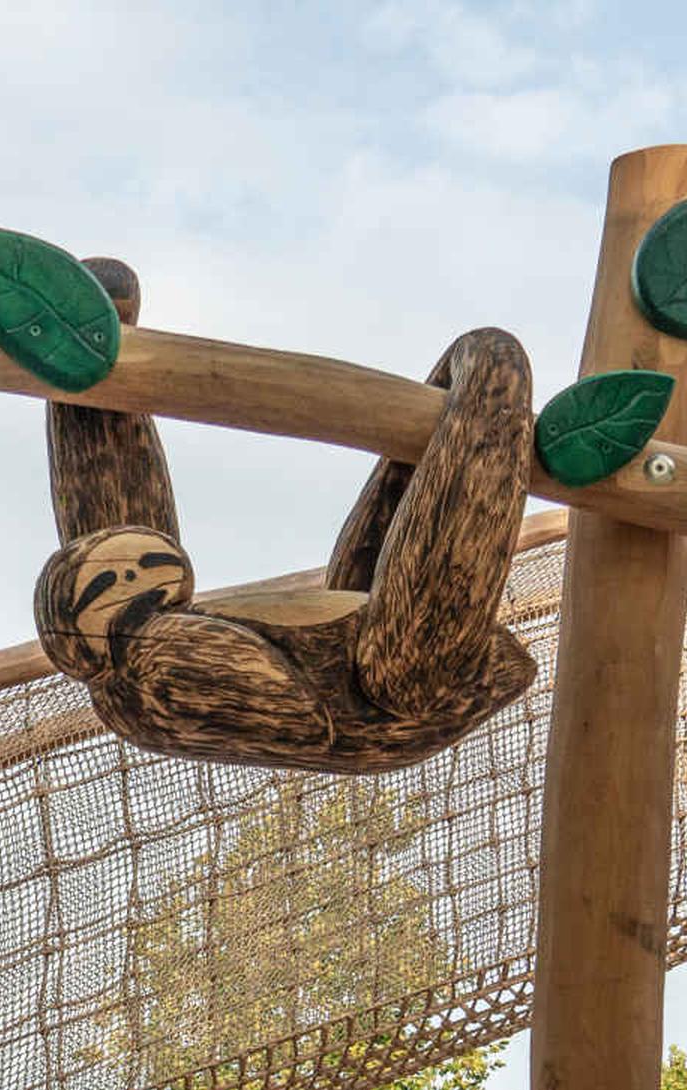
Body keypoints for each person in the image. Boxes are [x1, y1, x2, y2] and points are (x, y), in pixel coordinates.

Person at [31, 259, 537, 776]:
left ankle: (88, 363)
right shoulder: (149, 661)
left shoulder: (124, 680)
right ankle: (491, 389)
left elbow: (108, 501)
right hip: (401, 684)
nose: (157, 564)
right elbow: (301, 716)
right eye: (134, 571)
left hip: (353, 637)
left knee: (105, 531)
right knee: (494, 364)